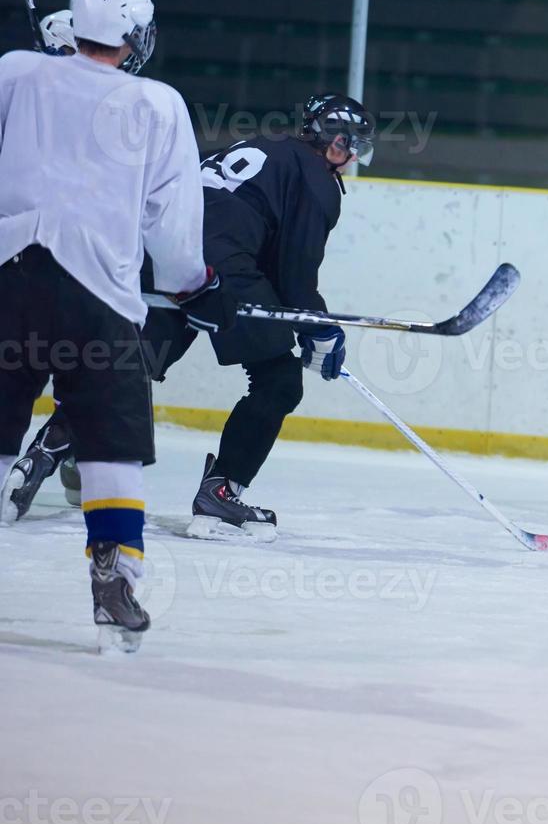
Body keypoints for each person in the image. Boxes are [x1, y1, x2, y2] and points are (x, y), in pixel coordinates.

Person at [3, 94, 377, 542]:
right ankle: (220, 494)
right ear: (328, 140)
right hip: (223, 264)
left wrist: (308, 322)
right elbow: (293, 274)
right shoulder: (316, 178)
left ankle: (45, 449)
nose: (349, 154)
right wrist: (318, 329)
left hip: (160, 251)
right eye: (346, 144)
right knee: (279, 381)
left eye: (352, 145)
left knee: (129, 369)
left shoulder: (261, 148)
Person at [0, 0, 236, 646]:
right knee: (110, 445)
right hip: (97, 297)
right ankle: (115, 579)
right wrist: (192, 282)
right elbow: (172, 225)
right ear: (135, 38)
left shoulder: (16, 74)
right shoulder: (158, 104)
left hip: (10, 279)